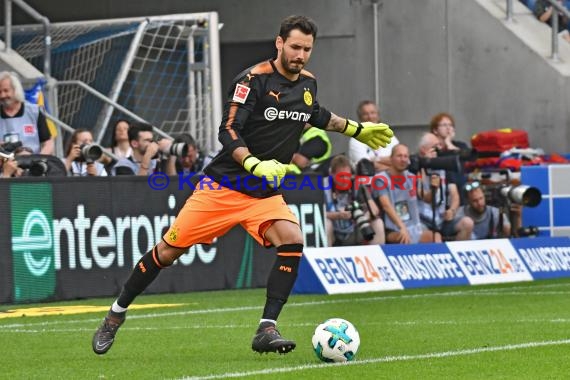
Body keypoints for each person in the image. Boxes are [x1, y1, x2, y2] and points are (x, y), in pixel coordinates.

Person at [92, 15, 393, 356]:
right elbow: (228, 129)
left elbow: (316, 114)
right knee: (167, 252)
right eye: (295, 47)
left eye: (307, 49)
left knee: (293, 240)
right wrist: (253, 163)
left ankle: (267, 328)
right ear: (279, 43)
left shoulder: (308, 83)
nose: (301, 55)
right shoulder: (252, 80)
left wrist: (356, 129)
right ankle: (115, 316)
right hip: (223, 188)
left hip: (263, 194)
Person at [374, 144, 439, 244]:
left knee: (436, 236)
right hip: (393, 228)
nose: (403, 159)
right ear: (391, 159)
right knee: (404, 238)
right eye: (399, 156)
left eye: (405, 156)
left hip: (414, 227)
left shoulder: (411, 177)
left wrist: (434, 189)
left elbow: (426, 198)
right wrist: (402, 227)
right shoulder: (381, 179)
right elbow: (386, 206)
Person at [416, 133, 473, 241]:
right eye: (434, 147)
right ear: (423, 150)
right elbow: (425, 198)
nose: (439, 149)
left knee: (467, 223)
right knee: (435, 237)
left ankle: (456, 253)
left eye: (439, 146)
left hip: (442, 218)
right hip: (423, 220)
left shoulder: (443, 165)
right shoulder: (417, 168)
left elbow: (455, 195)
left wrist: (452, 210)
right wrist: (427, 165)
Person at [324, 155, 385, 246]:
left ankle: (377, 257)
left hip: (356, 230)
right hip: (334, 232)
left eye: (347, 176)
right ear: (332, 174)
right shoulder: (323, 187)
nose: (345, 179)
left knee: (378, 223)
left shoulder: (357, 185)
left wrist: (365, 216)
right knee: (326, 223)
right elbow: (317, 214)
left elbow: (374, 209)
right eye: (341, 176)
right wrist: (337, 215)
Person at [0, 71, 54, 155]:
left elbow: (48, 142)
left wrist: (39, 160)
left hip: (31, 163)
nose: (2, 95)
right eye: (0, 92)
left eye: (6, 91)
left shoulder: (34, 111)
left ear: (15, 90)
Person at [456, 181, 522, 239]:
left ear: (484, 196)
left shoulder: (495, 212)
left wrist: (518, 217)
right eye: (475, 201)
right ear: (468, 201)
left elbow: (512, 234)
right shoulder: (459, 213)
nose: (479, 203)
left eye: (481, 198)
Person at [348, 100, 399, 171]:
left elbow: (400, 159)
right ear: (360, 117)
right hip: (367, 181)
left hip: (390, 180)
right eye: (365, 114)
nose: (370, 117)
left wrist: (376, 160)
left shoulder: (389, 135)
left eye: (373, 113)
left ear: (378, 115)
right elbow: (366, 166)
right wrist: (393, 167)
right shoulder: (356, 139)